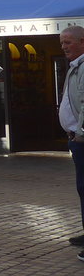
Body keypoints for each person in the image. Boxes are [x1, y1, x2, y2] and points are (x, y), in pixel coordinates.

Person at [58, 26, 84, 255]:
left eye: (68, 42)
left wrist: (81, 134)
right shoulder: (75, 67)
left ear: (82, 41)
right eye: (62, 43)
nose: (64, 47)